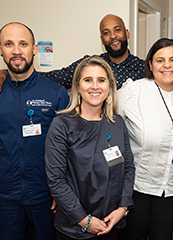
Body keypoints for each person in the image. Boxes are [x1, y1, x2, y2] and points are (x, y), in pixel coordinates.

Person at [0, 22, 70, 239]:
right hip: (5, 199)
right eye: (9, 44)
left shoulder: (56, 93)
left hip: (47, 198)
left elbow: (68, 148)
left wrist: (62, 191)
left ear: (34, 49)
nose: (16, 50)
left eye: (23, 44)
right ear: (0, 50)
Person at [0, 14, 173, 102]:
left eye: (117, 30)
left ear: (126, 34)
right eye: (106, 33)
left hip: (132, 140)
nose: (112, 36)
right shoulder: (90, 65)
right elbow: (53, 77)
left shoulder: (141, 67)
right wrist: (6, 72)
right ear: (102, 39)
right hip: (94, 135)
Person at [117, 38, 173, 240]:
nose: (167, 65)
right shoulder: (133, 91)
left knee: (162, 235)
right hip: (139, 184)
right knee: (134, 234)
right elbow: (106, 120)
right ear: (150, 64)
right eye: (160, 60)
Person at [44, 56, 135, 240]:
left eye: (101, 80)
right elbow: (56, 181)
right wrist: (84, 220)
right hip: (74, 228)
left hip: (112, 222)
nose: (95, 86)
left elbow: (128, 168)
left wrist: (122, 208)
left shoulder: (117, 124)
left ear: (109, 86)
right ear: (78, 86)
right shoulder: (62, 125)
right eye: (88, 80)